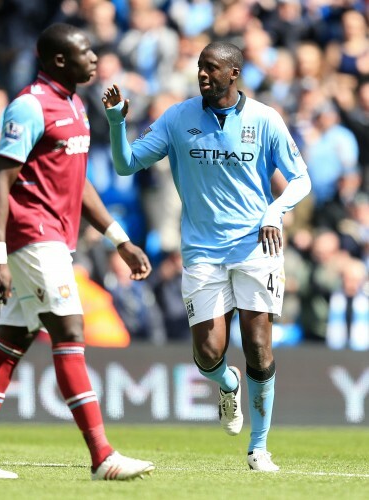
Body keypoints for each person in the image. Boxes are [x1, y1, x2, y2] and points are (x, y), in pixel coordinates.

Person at [0, 22, 155, 481]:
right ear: (59, 60)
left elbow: (78, 183)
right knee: (70, 327)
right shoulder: (29, 106)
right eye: (85, 52)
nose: (94, 58)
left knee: (12, 340)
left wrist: (120, 239)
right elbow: (1, 178)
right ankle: (102, 456)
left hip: (57, 237)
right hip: (32, 235)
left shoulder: (76, 105)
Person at [102, 41, 311, 472]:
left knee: (257, 344)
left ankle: (259, 446)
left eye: (212, 68)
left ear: (233, 73)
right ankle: (227, 384)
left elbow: (301, 180)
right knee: (210, 352)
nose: (203, 75)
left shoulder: (264, 120)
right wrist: (115, 123)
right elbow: (125, 165)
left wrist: (274, 211)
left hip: (255, 245)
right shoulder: (179, 118)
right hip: (201, 251)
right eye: (200, 67)